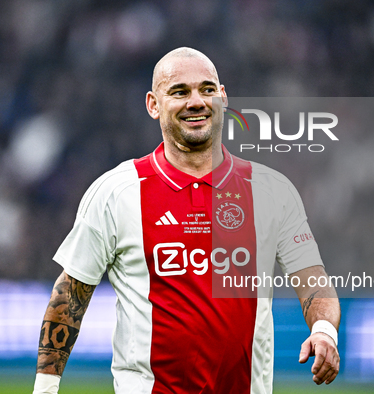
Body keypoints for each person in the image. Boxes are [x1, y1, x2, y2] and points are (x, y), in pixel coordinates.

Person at [33, 47, 340, 394]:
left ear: (223, 97)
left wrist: (324, 330)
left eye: (207, 89)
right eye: (180, 92)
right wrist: (45, 388)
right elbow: (72, 293)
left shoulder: (272, 191)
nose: (196, 101)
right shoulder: (115, 192)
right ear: (153, 104)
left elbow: (314, 280)